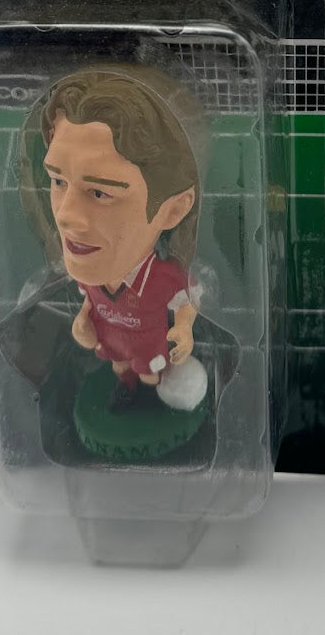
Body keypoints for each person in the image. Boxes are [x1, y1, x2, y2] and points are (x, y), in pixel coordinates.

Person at [36, 67, 208, 412]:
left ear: (174, 210)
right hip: (112, 341)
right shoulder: (90, 273)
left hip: (148, 346)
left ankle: (148, 402)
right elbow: (89, 303)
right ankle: (125, 390)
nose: (66, 216)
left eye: (100, 193)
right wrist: (83, 323)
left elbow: (187, 302)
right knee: (118, 366)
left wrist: (184, 329)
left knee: (148, 373)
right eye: (58, 182)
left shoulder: (160, 277)